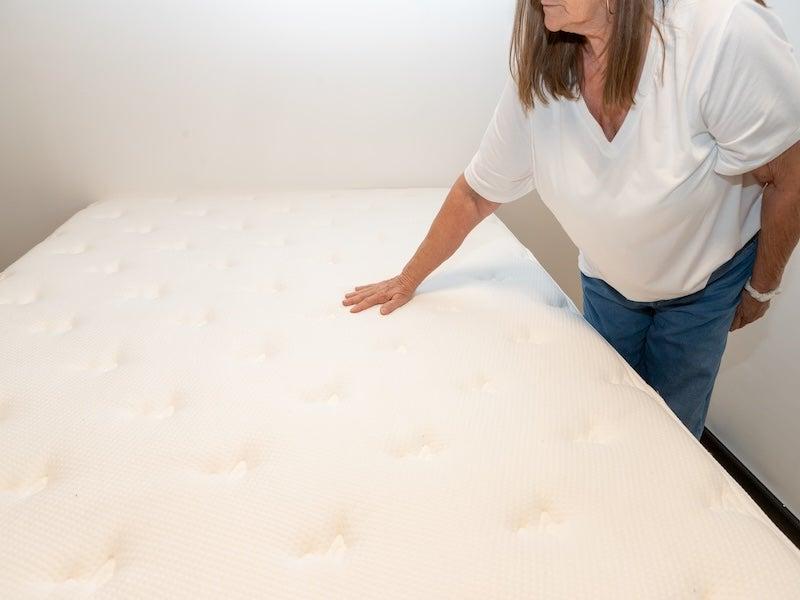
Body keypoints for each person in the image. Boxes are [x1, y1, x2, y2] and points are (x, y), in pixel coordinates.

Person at [341, 0, 800, 439]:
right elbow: (475, 195)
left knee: (670, 438)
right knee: (602, 417)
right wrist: (407, 278)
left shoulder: (719, 31)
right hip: (609, 279)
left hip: (704, 286)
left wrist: (761, 289)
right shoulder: (545, 67)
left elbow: (789, 177)